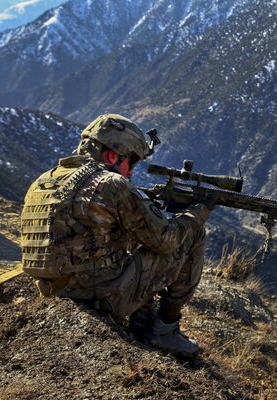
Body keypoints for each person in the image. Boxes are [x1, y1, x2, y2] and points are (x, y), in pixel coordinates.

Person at [20, 114, 215, 359]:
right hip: (98, 297)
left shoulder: (43, 180)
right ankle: (165, 330)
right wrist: (198, 213)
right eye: (130, 163)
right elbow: (166, 240)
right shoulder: (111, 184)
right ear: (113, 156)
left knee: (127, 241)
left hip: (53, 291)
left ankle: (143, 321)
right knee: (192, 233)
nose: (131, 173)